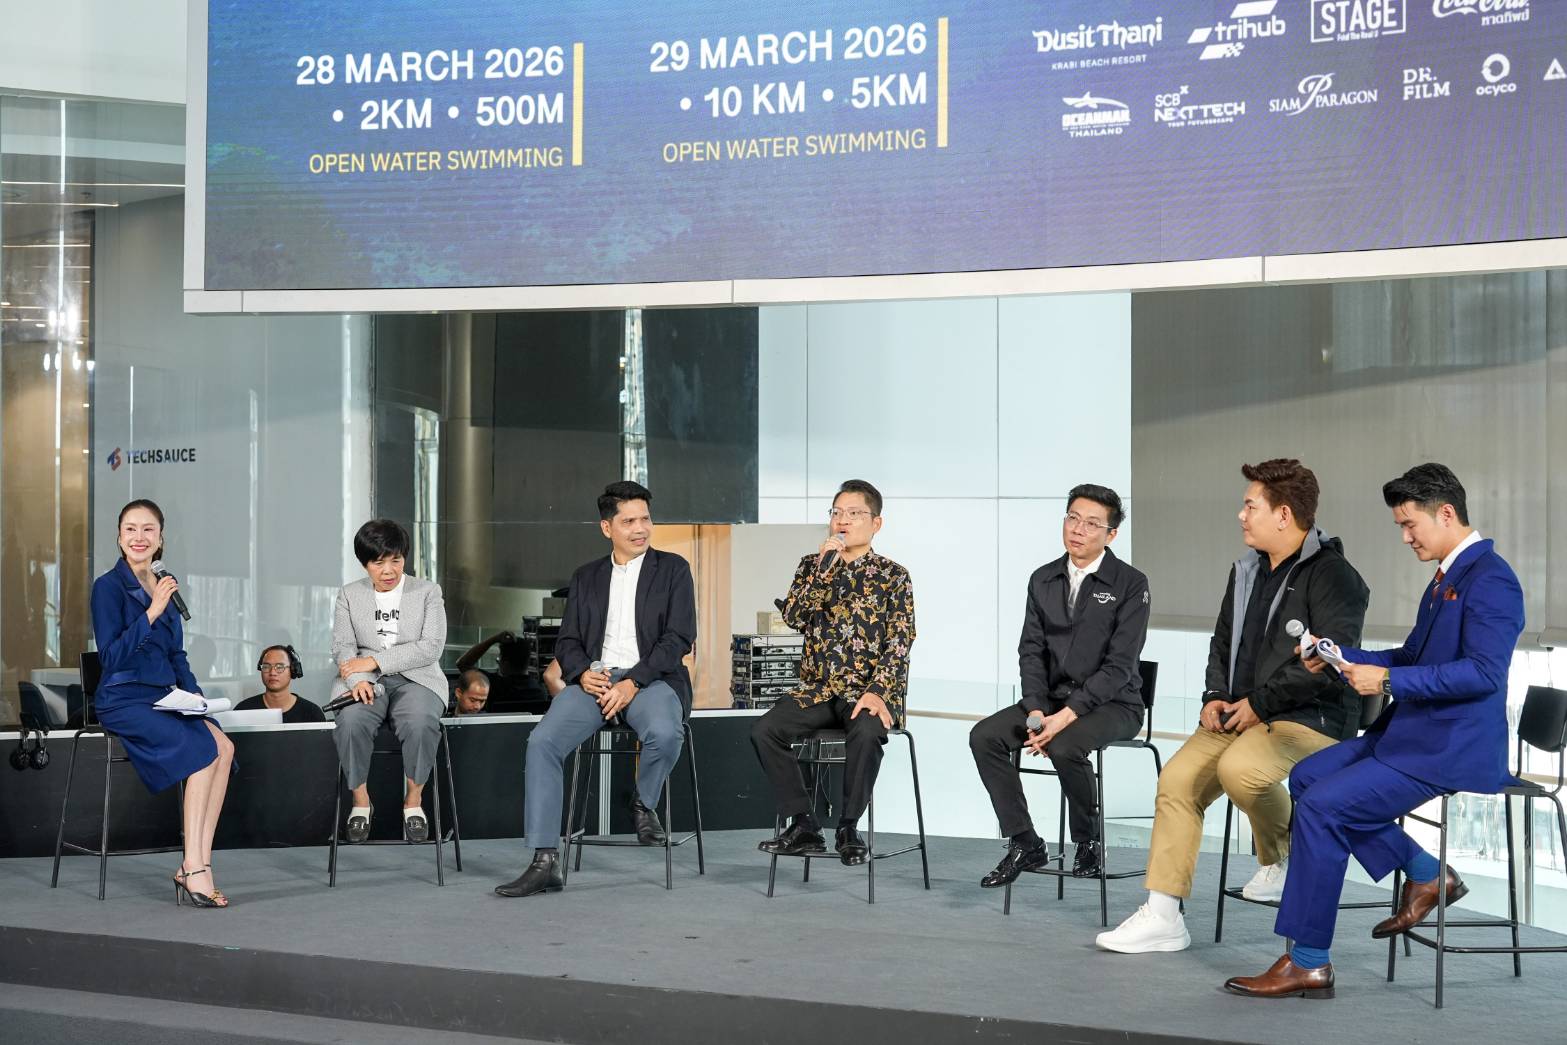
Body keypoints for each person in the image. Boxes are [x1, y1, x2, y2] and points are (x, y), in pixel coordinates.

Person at [1224, 463, 1524, 999]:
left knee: (1322, 809)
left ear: (1446, 513)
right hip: (1411, 734)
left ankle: (1308, 961)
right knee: (1307, 780)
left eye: (1410, 525)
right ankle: (1426, 872)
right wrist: (1340, 656)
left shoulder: (1491, 579)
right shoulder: (1446, 577)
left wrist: (1385, 680)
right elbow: (1412, 656)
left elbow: (1484, 674)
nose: (1405, 537)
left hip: (1450, 747)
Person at [1097, 459, 1369, 954]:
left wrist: (1260, 705)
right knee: (1177, 781)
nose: (1241, 515)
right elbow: (1223, 640)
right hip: (1242, 712)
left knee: (1241, 771)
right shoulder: (1247, 569)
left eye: (1250, 506)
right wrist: (1213, 695)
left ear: (1283, 515)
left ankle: (1285, 857)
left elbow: (1324, 663)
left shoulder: (1336, 577)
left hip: (1311, 718)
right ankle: (1164, 915)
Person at [495, 481, 696, 898]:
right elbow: (567, 641)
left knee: (664, 733)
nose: (640, 529)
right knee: (542, 743)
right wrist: (582, 672)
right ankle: (545, 861)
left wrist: (633, 681)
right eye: (629, 521)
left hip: (652, 679)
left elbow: (678, 638)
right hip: (596, 682)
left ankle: (643, 802)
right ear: (607, 528)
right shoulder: (586, 576)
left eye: (645, 519)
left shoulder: (673, 569)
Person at [970, 484, 1150, 886]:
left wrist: (1065, 718)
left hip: (1115, 704)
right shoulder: (1043, 578)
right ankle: (1025, 842)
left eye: (1091, 524)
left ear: (1111, 534)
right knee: (985, 736)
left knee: (1065, 745)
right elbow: (1030, 651)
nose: (1078, 529)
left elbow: (1120, 666)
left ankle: (1088, 842)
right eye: (1073, 518)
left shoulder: (1130, 583)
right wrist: (1036, 709)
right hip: (1051, 699)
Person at [753, 479, 916, 866]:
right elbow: (795, 617)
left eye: (854, 513)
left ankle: (848, 827)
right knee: (765, 730)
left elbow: (900, 641)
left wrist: (878, 691)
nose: (843, 520)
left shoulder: (894, 575)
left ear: (876, 523)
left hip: (868, 693)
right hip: (818, 691)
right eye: (837, 512)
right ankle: (804, 824)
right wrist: (823, 570)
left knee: (867, 731)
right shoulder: (811, 566)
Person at [89, 499, 237, 907]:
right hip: (122, 697)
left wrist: (196, 698)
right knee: (203, 751)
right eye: (131, 529)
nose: (139, 537)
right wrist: (152, 612)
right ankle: (194, 866)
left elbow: (176, 655)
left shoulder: (165, 583)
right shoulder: (107, 587)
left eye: (148, 529)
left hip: (164, 695)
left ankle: (199, 861)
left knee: (224, 748)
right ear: (119, 536)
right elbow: (110, 657)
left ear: (160, 538)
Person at [330, 519, 449, 845]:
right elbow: (343, 646)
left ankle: (413, 802)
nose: (388, 570)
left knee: (421, 722)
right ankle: (361, 802)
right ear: (364, 564)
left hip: (418, 678)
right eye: (378, 563)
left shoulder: (427, 592)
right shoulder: (349, 594)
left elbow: (431, 647)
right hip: (364, 680)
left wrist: (375, 661)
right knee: (351, 721)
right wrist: (358, 678)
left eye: (395, 560)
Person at [235, 644, 325, 723]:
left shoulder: (312, 713)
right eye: (266, 667)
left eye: (280, 667)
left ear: (292, 670)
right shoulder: (243, 710)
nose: (272, 673)